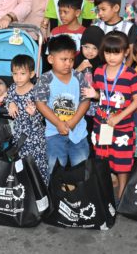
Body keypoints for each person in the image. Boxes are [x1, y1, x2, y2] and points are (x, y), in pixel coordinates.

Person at [85, 32, 137, 199]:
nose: (111, 57)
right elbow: (102, 95)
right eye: (108, 52)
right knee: (103, 158)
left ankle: (122, 195)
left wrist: (119, 117)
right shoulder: (98, 71)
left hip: (122, 127)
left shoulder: (131, 74)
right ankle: (106, 193)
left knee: (122, 162)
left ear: (125, 52)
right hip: (102, 125)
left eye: (116, 52)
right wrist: (94, 94)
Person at [35, 34, 92, 171]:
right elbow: (40, 104)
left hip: (78, 133)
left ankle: (80, 192)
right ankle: (54, 193)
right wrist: (58, 123)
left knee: (82, 169)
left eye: (71, 60)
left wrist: (72, 122)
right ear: (50, 59)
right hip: (54, 133)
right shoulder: (45, 79)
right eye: (64, 59)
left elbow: (85, 101)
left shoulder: (79, 77)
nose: (68, 63)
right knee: (54, 169)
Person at [5, 54, 49, 182]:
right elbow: (7, 98)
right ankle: (24, 192)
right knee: (21, 166)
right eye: (15, 73)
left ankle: (41, 193)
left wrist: (33, 114)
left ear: (31, 74)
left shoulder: (36, 91)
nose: (18, 78)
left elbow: (41, 119)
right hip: (19, 136)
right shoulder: (13, 88)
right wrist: (11, 103)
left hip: (34, 138)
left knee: (37, 166)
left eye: (22, 73)